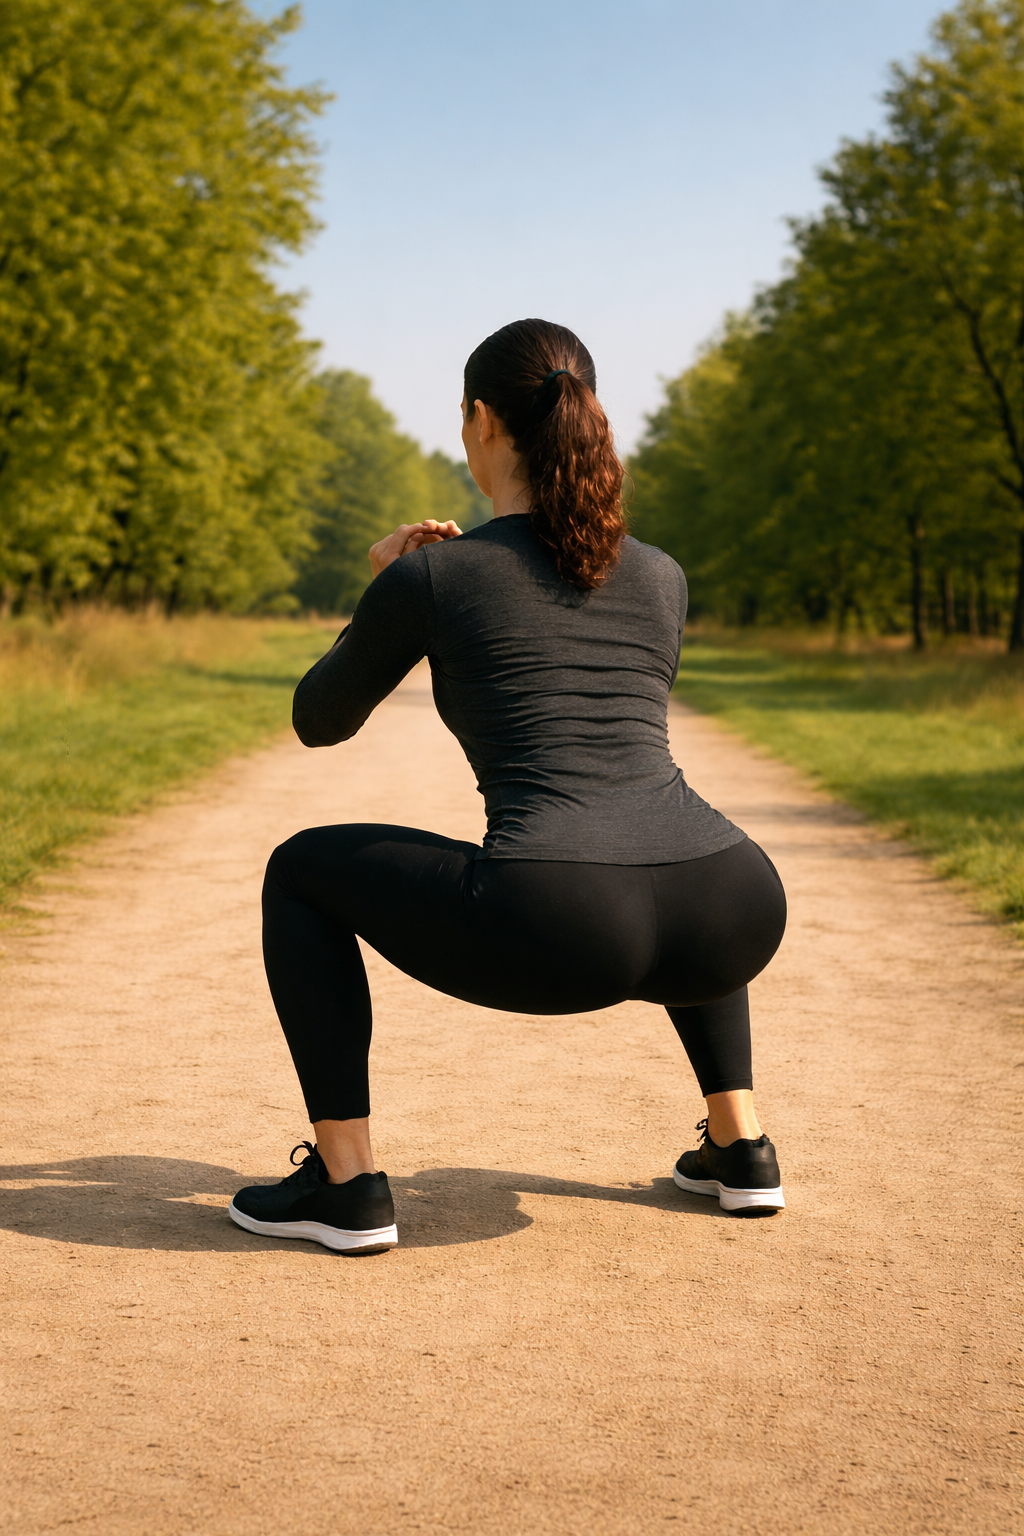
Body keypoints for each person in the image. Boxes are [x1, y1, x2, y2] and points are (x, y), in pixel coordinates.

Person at [228, 319, 787, 1255]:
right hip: (733, 902)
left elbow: (318, 719)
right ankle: (742, 1150)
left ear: (481, 420)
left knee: (298, 867)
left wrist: (386, 593)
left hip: (561, 923)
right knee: (655, 829)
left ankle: (346, 1182)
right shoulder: (661, 575)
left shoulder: (437, 576)